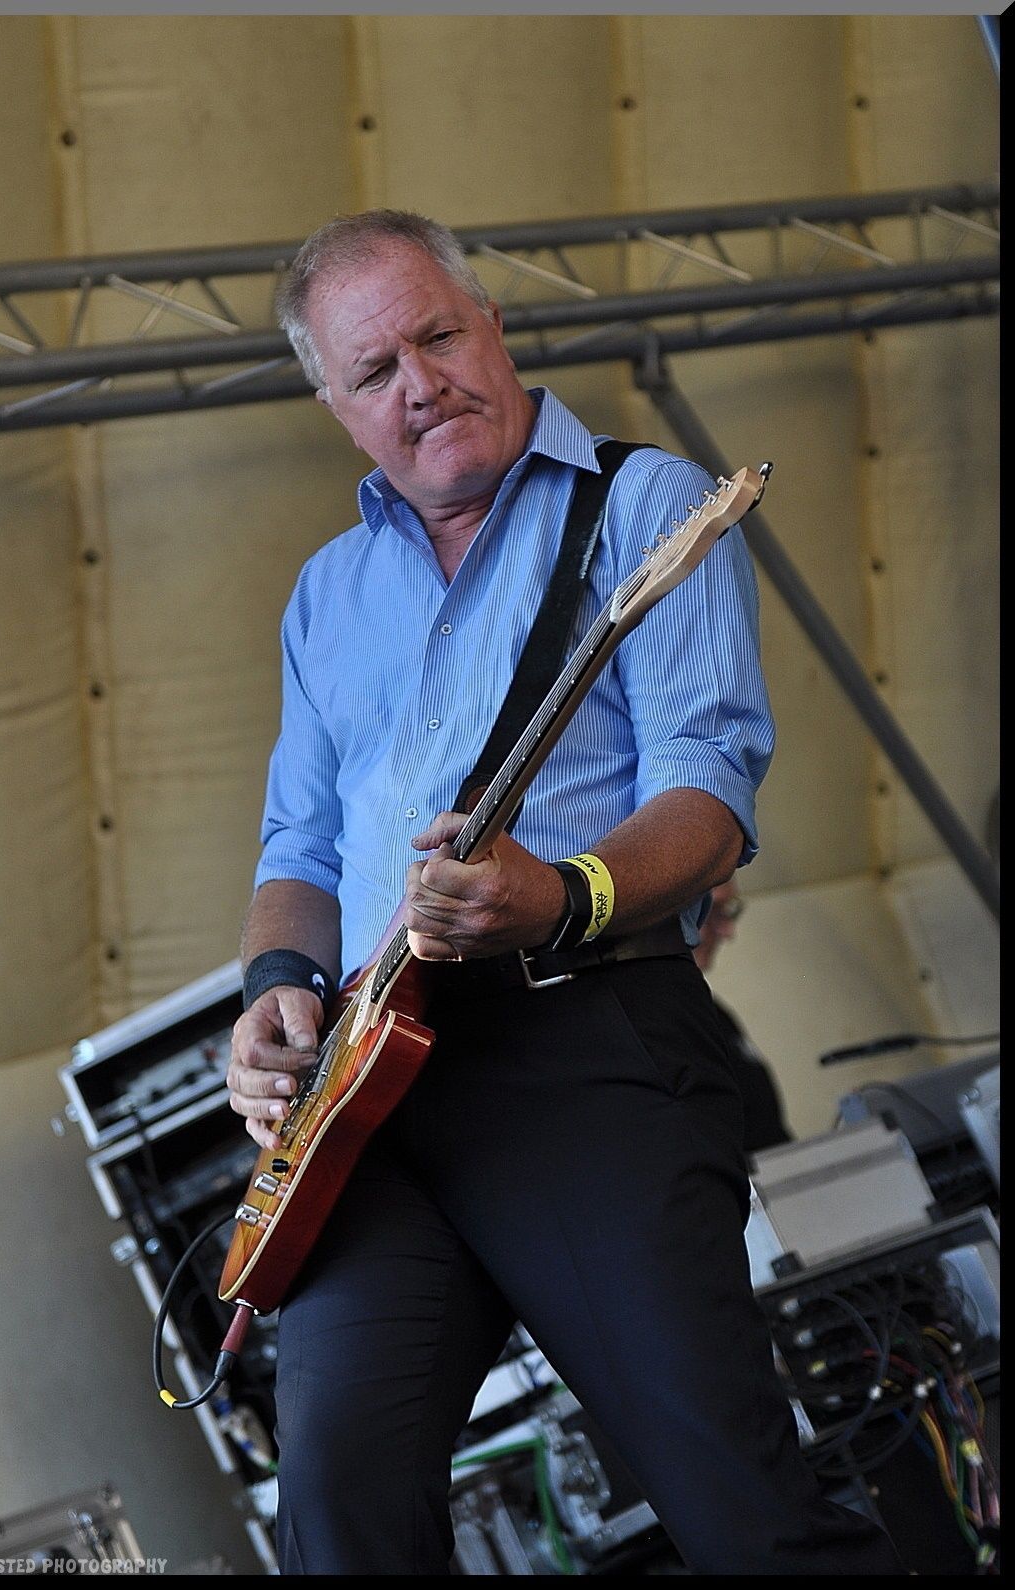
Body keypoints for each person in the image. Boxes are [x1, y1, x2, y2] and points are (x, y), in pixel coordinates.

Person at [226, 209, 905, 1576]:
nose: (420, 383)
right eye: (374, 371)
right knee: (339, 1511)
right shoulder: (325, 594)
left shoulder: (643, 504)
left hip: (587, 1047)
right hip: (370, 1101)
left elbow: (706, 791)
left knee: (741, 1512)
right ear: (335, 406)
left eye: (438, 334)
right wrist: (274, 992)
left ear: (493, 322)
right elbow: (295, 851)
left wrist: (563, 894)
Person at [693, 876, 794, 1155]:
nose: (728, 931)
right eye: (715, 911)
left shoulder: (714, 1014)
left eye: (729, 911)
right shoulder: (645, 1024)